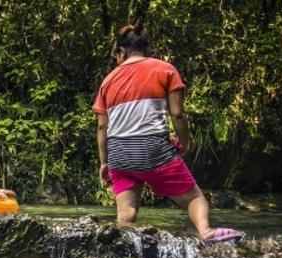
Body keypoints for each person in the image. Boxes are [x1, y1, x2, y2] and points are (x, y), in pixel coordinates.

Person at [92, 26, 242, 242]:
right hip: (154, 150)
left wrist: (104, 163)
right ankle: (206, 232)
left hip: (119, 155)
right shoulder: (165, 69)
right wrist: (184, 143)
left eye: (116, 56)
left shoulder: (107, 82)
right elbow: (178, 114)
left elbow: (102, 128)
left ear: (122, 52)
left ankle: (123, 248)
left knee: (126, 214)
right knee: (193, 198)